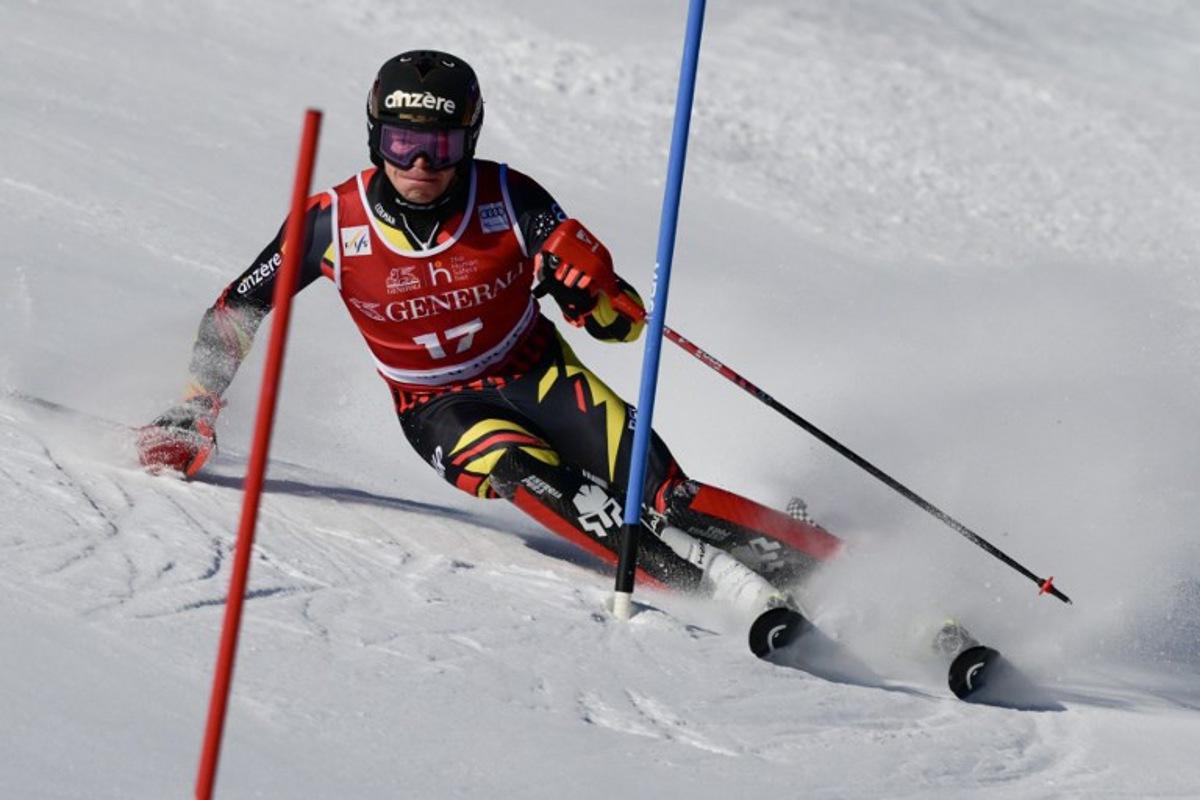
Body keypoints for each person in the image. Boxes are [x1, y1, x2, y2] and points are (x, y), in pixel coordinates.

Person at [138, 50, 841, 653]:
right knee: (525, 470)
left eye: (438, 147)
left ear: (467, 140)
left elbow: (621, 329)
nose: (417, 164)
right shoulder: (333, 221)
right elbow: (238, 307)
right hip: (438, 405)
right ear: (373, 136)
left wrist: (591, 289)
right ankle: (714, 589)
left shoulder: (510, 196)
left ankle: (827, 561)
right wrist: (195, 404)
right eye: (399, 141)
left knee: (664, 494)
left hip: (540, 373)